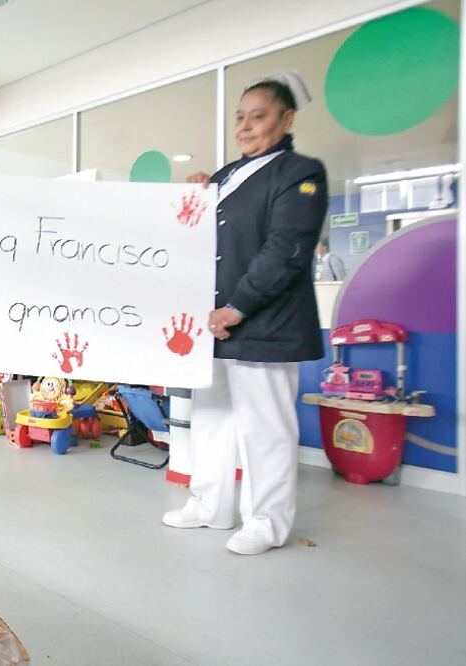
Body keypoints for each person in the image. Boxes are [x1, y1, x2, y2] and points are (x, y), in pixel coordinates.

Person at [162, 71, 327, 555]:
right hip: (214, 326)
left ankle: (267, 522)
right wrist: (196, 195)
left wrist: (238, 306)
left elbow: (287, 248)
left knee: (266, 428)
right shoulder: (224, 177)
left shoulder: (299, 172)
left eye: (258, 116)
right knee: (211, 418)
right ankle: (209, 505)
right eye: (240, 117)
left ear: (286, 119)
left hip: (264, 324)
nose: (245, 126)